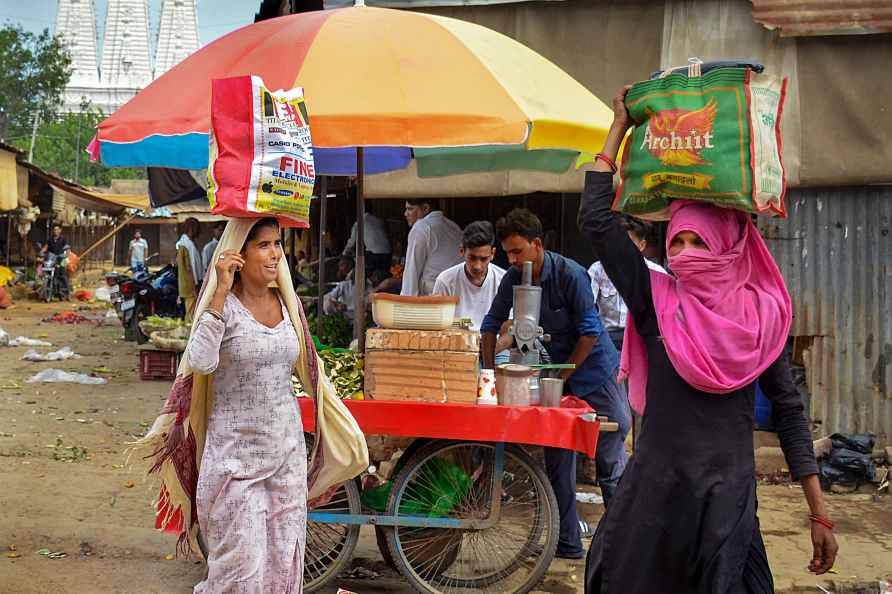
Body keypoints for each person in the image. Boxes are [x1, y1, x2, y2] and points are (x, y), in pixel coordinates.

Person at [577, 88, 838, 593]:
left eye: (700, 241)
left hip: (726, 504)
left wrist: (819, 511)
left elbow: (788, 411)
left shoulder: (763, 320)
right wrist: (617, 127)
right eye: (678, 241)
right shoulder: (656, 300)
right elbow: (596, 220)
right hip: (654, 500)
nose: (687, 253)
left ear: (730, 244)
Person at [131, 218, 356, 593]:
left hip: (285, 459)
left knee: (283, 569)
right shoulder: (225, 308)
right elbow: (200, 361)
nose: (275, 254)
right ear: (238, 253)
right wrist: (219, 291)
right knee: (241, 575)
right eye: (264, 245)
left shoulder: (288, 304)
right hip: (235, 464)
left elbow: (307, 365)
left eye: (278, 244)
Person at [480, 208, 631, 560]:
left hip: (593, 370)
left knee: (611, 440)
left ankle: (623, 541)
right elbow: (491, 322)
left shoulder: (571, 276)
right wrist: (488, 373)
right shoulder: (514, 278)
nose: (512, 259)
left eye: (518, 251)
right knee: (557, 456)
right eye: (508, 254)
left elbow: (591, 334)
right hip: (554, 372)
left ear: (537, 244)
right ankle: (567, 543)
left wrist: (563, 379)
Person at [588, 217, 666, 352]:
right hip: (607, 337)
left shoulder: (657, 273)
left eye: (628, 244)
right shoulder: (598, 269)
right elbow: (586, 305)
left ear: (642, 245)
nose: (621, 248)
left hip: (642, 337)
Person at [432, 221, 506, 332]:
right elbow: (437, 323)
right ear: (462, 251)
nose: (478, 266)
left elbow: (508, 325)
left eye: (483, 259)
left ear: (493, 254)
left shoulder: (504, 280)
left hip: (494, 345)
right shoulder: (445, 281)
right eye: (472, 258)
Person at [400, 198, 462, 296]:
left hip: (435, 296)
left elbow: (412, 271)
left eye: (410, 209)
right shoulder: (453, 226)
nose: (406, 213)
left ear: (425, 208)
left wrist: (406, 305)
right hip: (458, 293)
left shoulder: (421, 227)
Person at [343, 204, 392, 275]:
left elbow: (351, 241)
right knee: (384, 275)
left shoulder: (359, 222)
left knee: (368, 275)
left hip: (374, 254)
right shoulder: (378, 220)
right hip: (387, 252)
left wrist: (344, 253)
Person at [323, 256, 367, 320]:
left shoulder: (367, 286)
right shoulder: (344, 284)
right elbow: (330, 297)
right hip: (347, 317)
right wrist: (337, 304)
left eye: (342, 265)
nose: (340, 269)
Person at [176, 218, 202, 322]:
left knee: (191, 311)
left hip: (189, 285)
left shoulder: (185, 243)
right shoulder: (187, 245)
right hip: (191, 285)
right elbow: (190, 268)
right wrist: (195, 286)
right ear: (191, 229)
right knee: (191, 313)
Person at [41, 224, 70, 299]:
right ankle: (51, 291)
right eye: (54, 230)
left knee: (62, 275)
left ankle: (66, 293)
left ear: (60, 231)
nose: (55, 231)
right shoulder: (50, 239)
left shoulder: (63, 239)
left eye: (57, 230)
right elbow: (46, 247)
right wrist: (41, 253)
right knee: (49, 272)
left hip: (61, 259)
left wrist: (66, 255)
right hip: (52, 258)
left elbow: (67, 248)